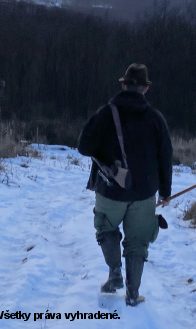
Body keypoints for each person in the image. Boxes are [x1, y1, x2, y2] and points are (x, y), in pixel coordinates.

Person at [77, 63, 173, 306]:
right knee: (138, 241)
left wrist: (108, 159)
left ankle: (115, 274)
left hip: (111, 190)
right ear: (146, 89)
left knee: (106, 228)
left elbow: (83, 147)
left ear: (123, 84)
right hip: (144, 194)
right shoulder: (156, 119)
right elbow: (165, 157)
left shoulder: (105, 113)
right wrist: (165, 193)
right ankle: (132, 294)